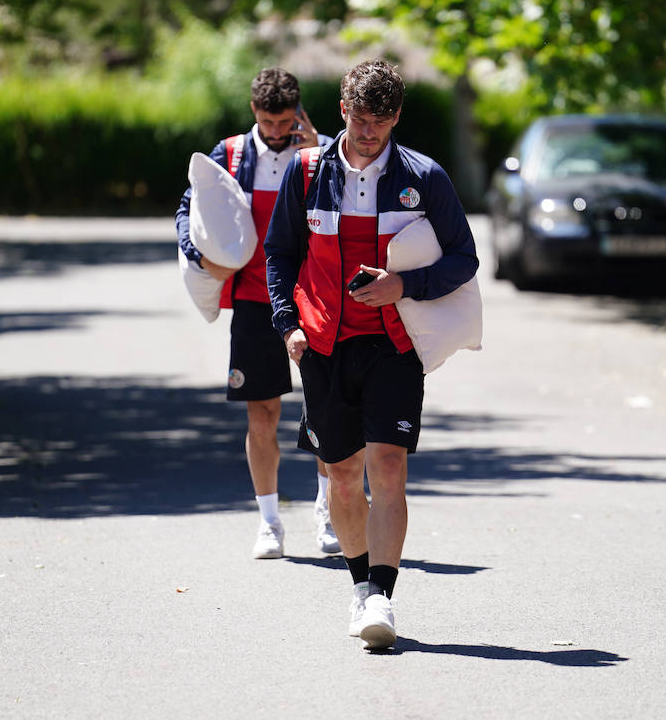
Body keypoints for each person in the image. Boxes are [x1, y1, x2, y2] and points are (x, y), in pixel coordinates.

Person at [264, 60, 479, 650]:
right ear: (342, 110)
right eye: (360, 121)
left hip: (394, 344)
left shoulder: (424, 176)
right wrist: (288, 327)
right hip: (323, 345)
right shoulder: (307, 173)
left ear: (397, 119)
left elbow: (464, 258)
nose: (369, 134)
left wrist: (404, 287)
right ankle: (359, 587)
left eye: (381, 124)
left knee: (388, 467)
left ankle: (379, 595)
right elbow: (279, 254)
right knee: (340, 474)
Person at [175, 67, 341, 560]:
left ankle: (328, 512)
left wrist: (320, 151)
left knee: (325, 414)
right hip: (253, 301)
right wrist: (194, 251)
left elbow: (348, 209)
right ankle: (269, 523)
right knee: (262, 415)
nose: (276, 132)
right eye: (268, 122)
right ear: (254, 112)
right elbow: (190, 208)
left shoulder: (325, 151)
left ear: (299, 113)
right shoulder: (228, 155)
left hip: (315, 300)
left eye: (284, 121)